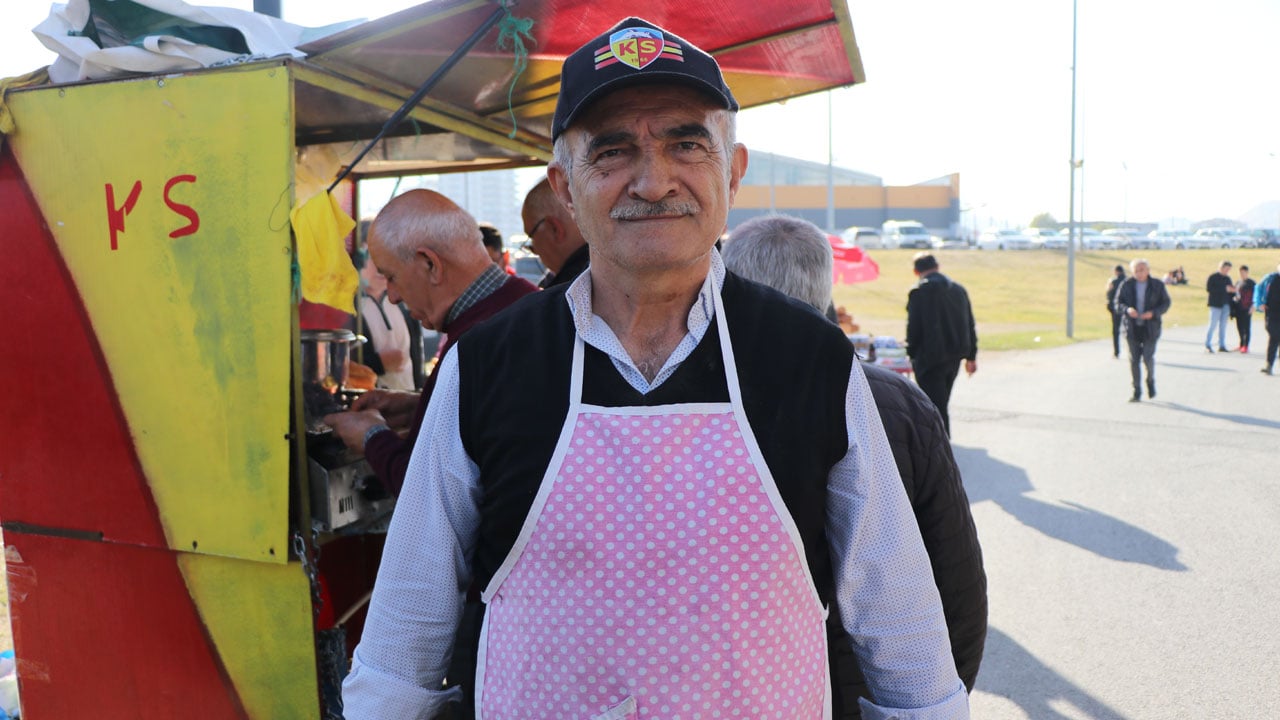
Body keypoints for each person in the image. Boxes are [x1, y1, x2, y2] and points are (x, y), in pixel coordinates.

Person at [342, 17, 969, 720]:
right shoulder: (488, 364)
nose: (653, 179)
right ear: (566, 187)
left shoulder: (810, 360)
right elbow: (404, 634)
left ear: (732, 173)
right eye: (611, 152)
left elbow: (900, 620)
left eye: (686, 144)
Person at [723, 215, 987, 715]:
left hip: (761, 695)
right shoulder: (900, 402)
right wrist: (937, 697)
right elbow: (958, 582)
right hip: (873, 693)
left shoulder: (707, 405)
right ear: (825, 288)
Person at [323, 190, 538, 496]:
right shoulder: (528, 303)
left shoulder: (475, 345)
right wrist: (420, 405)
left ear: (430, 264)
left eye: (392, 277)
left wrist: (372, 436)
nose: (394, 296)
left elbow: (427, 491)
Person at [906, 252, 978, 436]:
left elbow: (913, 328)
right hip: (954, 355)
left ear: (916, 271)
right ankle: (941, 442)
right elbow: (969, 323)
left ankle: (941, 445)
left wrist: (911, 352)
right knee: (941, 402)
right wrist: (971, 356)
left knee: (933, 406)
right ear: (937, 267)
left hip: (929, 358)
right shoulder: (958, 290)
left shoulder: (919, 292)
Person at [356, 244, 416, 391]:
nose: (380, 267)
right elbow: (342, 362)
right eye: (372, 257)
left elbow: (416, 356)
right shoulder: (350, 307)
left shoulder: (403, 301)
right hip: (372, 403)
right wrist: (379, 363)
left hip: (408, 398)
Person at [1113, 258, 1172, 401]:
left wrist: (1153, 313)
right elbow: (1117, 303)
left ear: (1148, 270)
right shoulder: (1126, 285)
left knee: (1147, 357)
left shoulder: (1157, 285)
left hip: (1150, 327)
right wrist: (1127, 310)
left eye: (1141, 270)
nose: (1139, 273)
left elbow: (1166, 303)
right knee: (1134, 359)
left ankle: (1150, 381)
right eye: (1136, 271)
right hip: (1131, 327)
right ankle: (1136, 390)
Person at [521, 176, 590, 288]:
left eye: (531, 238)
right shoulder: (619, 266)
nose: (535, 252)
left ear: (555, 229)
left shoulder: (565, 294)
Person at [1204, 260, 1236, 352]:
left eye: (1229, 269)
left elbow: (1230, 290)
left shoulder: (1228, 278)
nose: (1227, 271)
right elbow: (1209, 289)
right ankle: (1208, 344)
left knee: (1223, 326)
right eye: (1226, 269)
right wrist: (1224, 289)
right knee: (1212, 324)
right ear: (1221, 268)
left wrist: (1233, 291)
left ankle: (1222, 344)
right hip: (1215, 304)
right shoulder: (1213, 277)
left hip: (1226, 304)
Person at [1259, 262, 1280, 375]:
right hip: (1272, 313)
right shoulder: (1271, 279)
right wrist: (1260, 302)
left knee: (1274, 339)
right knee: (1274, 337)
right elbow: (1259, 289)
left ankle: (1269, 365)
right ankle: (1269, 365)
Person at [1232, 264, 1255, 353]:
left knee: (1246, 327)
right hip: (1238, 308)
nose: (1242, 274)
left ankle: (1246, 345)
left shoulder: (1251, 283)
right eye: (1240, 272)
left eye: (1244, 272)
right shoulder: (1238, 283)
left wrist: (1253, 306)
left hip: (1247, 308)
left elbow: (1255, 296)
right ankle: (1241, 344)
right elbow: (1235, 294)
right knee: (1239, 326)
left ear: (1247, 272)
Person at [1106, 264, 1126, 359]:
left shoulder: (1113, 281)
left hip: (1116, 309)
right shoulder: (1128, 281)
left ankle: (1116, 351)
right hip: (1127, 308)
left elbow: (1109, 294)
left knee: (1116, 330)